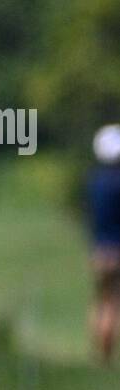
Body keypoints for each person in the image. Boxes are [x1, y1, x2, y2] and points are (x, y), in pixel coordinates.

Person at [87, 124, 120, 364]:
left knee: (101, 302)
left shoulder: (94, 182)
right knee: (115, 304)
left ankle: (102, 357)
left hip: (99, 251)